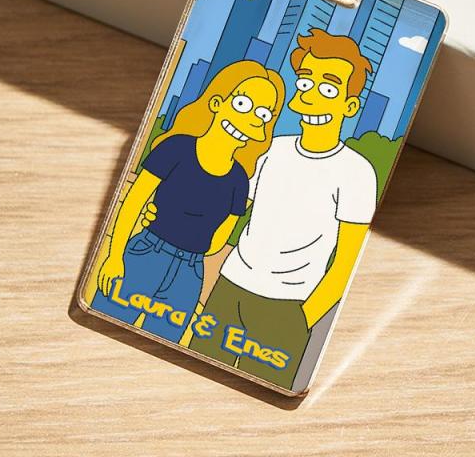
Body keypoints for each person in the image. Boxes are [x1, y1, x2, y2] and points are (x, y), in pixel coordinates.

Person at [189, 29, 378, 389]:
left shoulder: (357, 172)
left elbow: (344, 266)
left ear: (350, 106)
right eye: (306, 83)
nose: (311, 96)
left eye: (328, 89)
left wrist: (300, 321)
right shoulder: (274, 149)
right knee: (193, 374)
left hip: (287, 306)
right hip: (229, 289)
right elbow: (232, 215)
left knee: (262, 396)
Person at [91, 60, 284, 343]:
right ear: (217, 103)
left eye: (263, 114)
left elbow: (219, 239)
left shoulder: (239, 180)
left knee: (163, 345)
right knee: (103, 326)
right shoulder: (176, 148)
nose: (253, 119)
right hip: (145, 254)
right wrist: (114, 256)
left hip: (189, 273)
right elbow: (133, 202)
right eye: (243, 104)